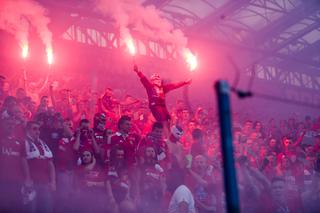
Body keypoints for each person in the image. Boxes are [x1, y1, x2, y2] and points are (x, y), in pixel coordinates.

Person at [25, 121, 56, 213]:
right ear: (28, 130)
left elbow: (50, 164)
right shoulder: (24, 143)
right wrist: (27, 179)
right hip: (31, 184)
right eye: (34, 129)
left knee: (46, 209)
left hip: (45, 184)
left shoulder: (43, 144)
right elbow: (22, 162)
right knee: (31, 209)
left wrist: (53, 181)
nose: (37, 131)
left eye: (38, 129)